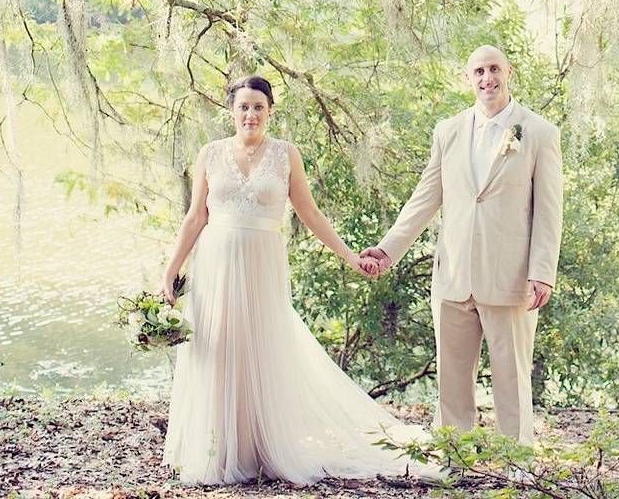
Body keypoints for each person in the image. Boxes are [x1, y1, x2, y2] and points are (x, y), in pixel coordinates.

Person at [160, 75, 430, 485]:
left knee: (260, 347)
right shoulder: (210, 154)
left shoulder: (286, 154)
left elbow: (310, 213)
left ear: (270, 111)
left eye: (258, 107)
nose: (250, 114)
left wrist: (350, 256)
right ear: (231, 111)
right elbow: (196, 217)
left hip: (262, 264)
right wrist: (170, 271)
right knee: (219, 348)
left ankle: (262, 447)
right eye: (243, 106)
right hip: (215, 263)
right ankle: (220, 452)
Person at [362, 45, 563, 445]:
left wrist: (542, 272)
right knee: (452, 377)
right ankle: (454, 455)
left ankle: (517, 461)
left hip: (511, 277)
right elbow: (426, 197)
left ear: (509, 72)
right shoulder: (448, 131)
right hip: (452, 275)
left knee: (511, 374)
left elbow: (550, 210)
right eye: (478, 71)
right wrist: (387, 250)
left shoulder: (538, 132)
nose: (487, 78)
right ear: (468, 78)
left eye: (493, 69)